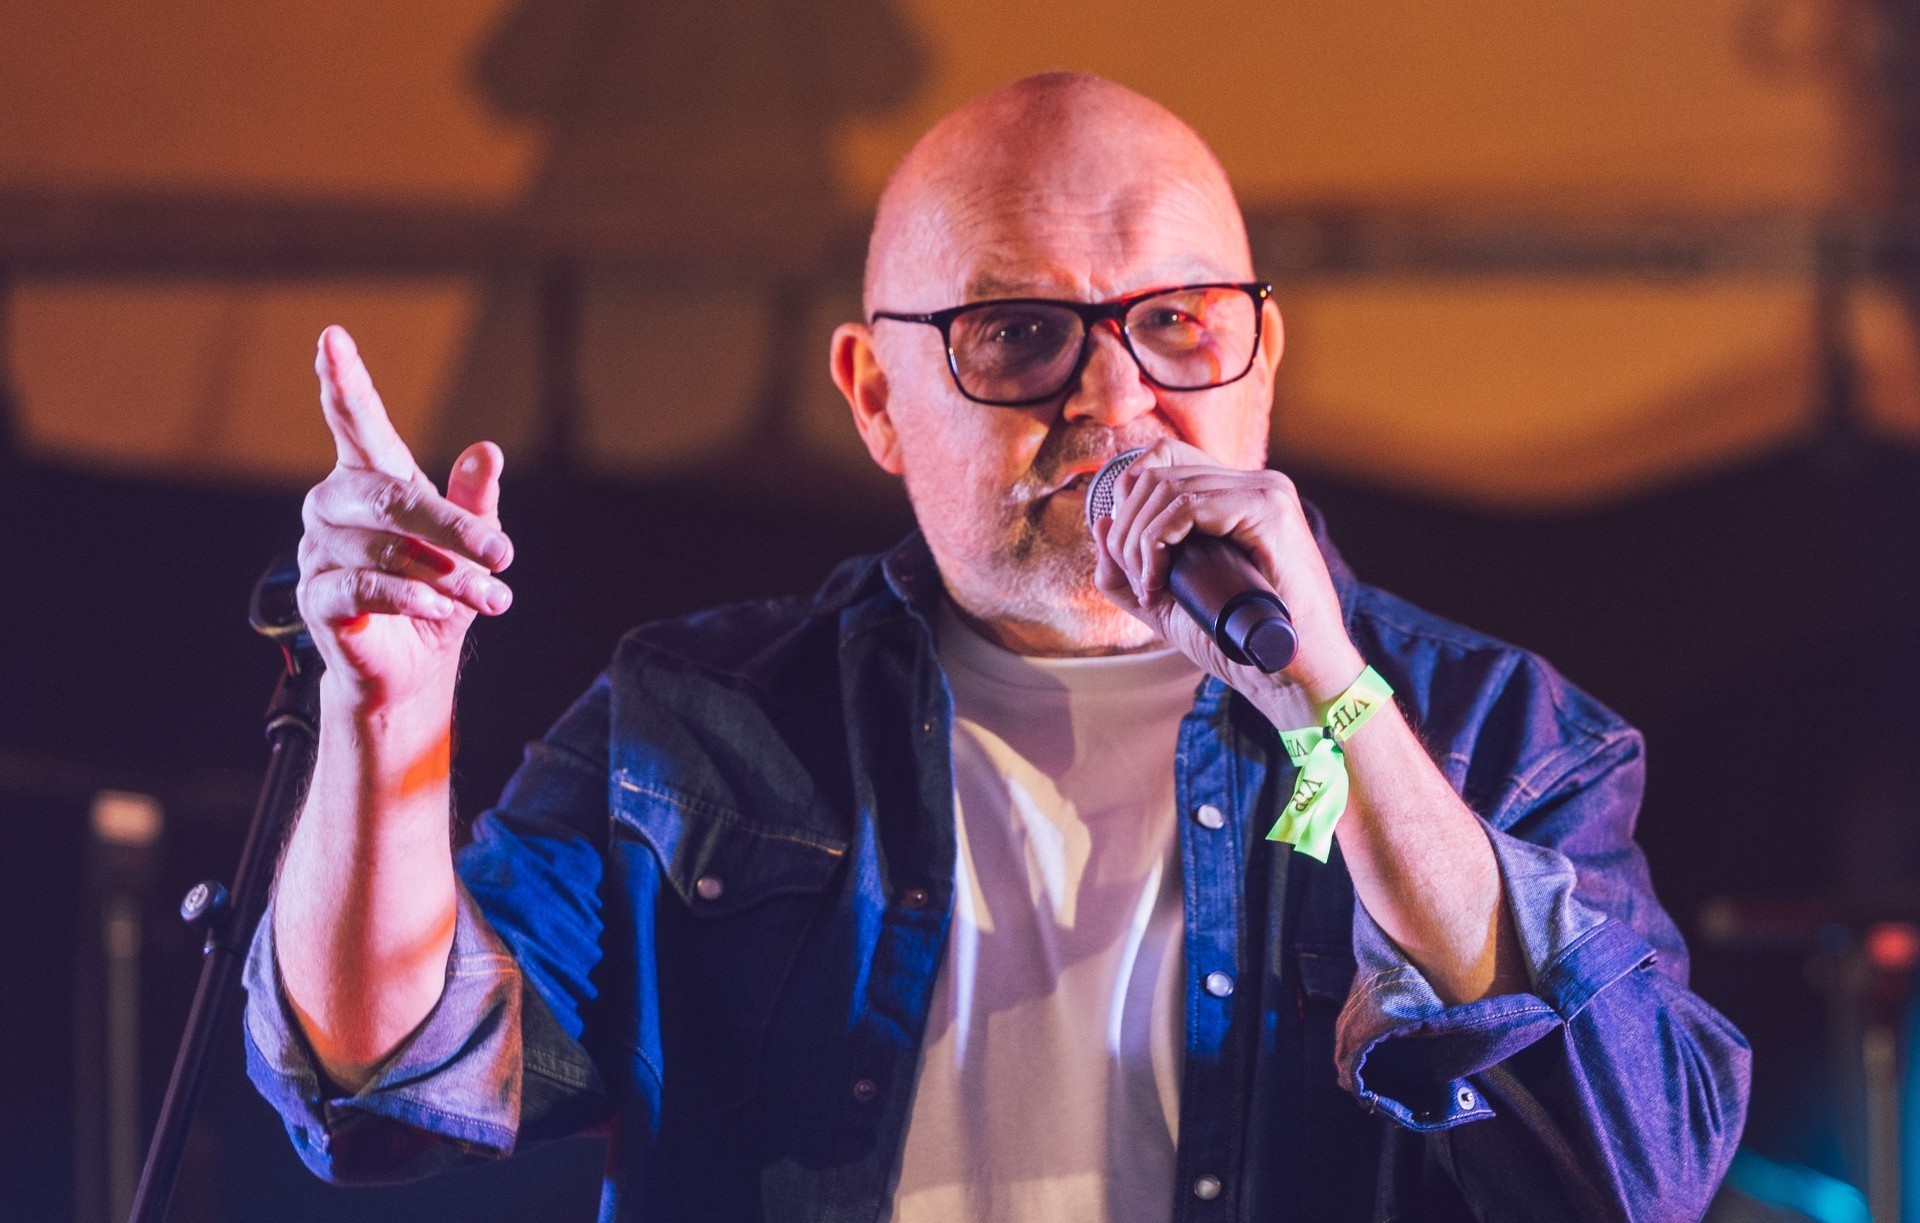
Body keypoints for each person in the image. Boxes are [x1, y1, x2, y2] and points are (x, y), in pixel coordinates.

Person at [245, 73, 1750, 1221]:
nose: (1115, 398)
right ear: (876, 396)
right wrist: (384, 720)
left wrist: (1330, 702)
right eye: (1022, 333)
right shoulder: (699, 724)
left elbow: (1644, 1175)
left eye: (1179, 322)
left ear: (1264, 360)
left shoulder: (1497, 736)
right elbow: (385, 1081)